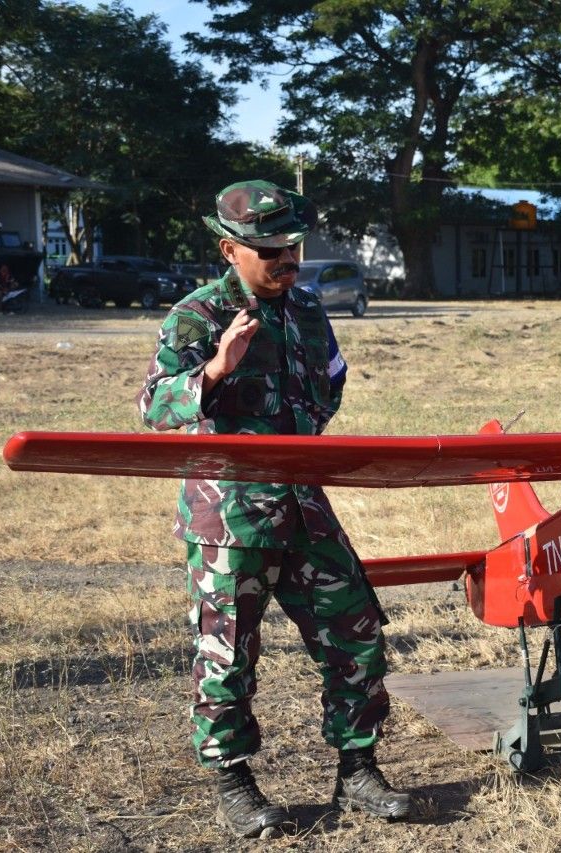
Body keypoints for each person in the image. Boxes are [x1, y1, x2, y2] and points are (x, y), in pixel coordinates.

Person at [138, 180, 409, 838]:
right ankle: (234, 781)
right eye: (271, 250)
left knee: (357, 629)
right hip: (229, 517)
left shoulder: (309, 310)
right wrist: (214, 373)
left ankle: (357, 767)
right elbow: (151, 408)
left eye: (293, 245)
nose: (288, 260)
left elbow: (333, 378)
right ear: (230, 249)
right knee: (228, 654)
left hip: (303, 506)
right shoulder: (196, 317)